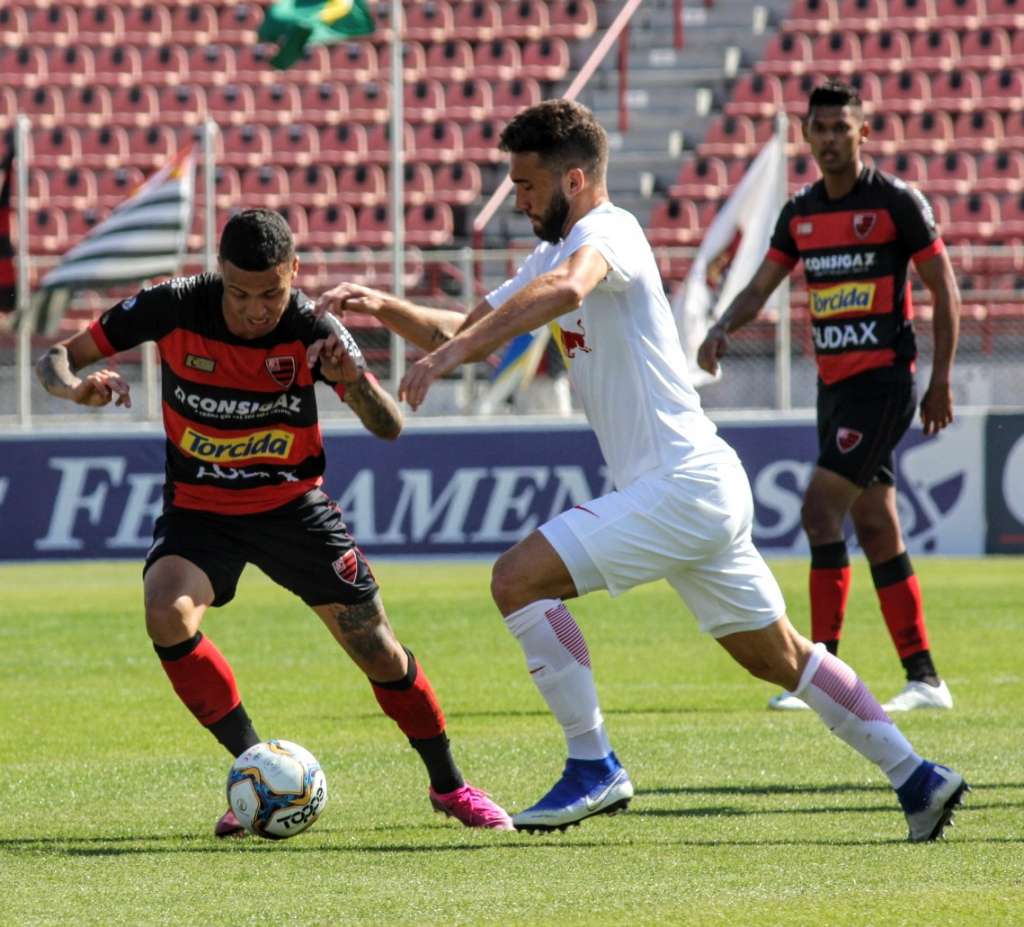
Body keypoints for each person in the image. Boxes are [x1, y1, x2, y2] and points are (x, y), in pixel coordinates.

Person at [316, 100, 967, 841]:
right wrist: (382, 307)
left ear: (573, 180)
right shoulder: (551, 256)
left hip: (679, 485)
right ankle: (919, 777)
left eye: (527, 186)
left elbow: (565, 293)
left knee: (516, 580)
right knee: (783, 657)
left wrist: (449, 357)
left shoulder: (608, 230)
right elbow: (470, 328)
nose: (518, 200)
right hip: (696, 487)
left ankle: (593, 763)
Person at [34, 208, 512, 836]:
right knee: (165, 612)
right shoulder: (171, 305)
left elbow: (389, 425)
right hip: (201, 508)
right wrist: (75, 390)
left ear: (294, 271)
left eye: (270, 293)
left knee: (377, 649)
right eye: (239, 293)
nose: (255, 309)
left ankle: (450, 787)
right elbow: (55, 359)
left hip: (292, 508)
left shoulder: (313, 328)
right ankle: (257, 772)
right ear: (218, 273)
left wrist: (353, 383)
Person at [697, 80, 961, 713]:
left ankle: (823, 674)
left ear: (863, 132)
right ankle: (925, 679)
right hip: (833, 388)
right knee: (876, 524)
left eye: (844, 127)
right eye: (822, 128)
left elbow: (944, 289)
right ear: (807, 136)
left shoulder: (896, 203)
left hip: (883, 384)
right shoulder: (800, 214)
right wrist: (722, 325)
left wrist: (940, 381)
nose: (833, 138)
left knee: (820, 510)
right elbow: (761, 285)